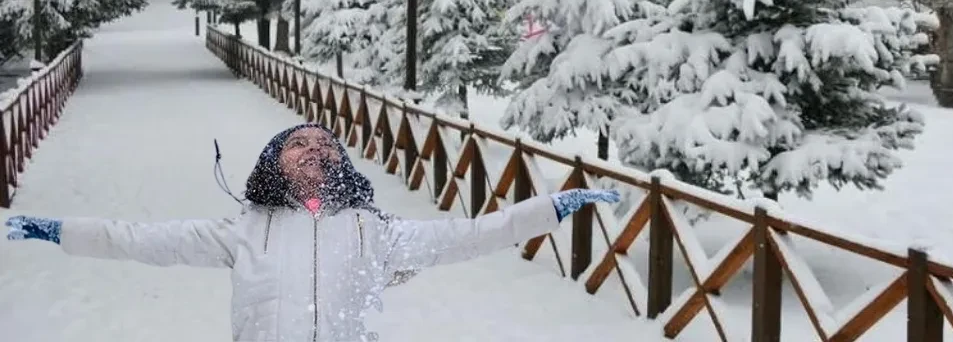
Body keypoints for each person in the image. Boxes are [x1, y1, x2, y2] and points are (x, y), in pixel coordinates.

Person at [5, 123, 620, 341]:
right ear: (274, 162)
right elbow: (134, 238)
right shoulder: (241, 230)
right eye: (296, 143)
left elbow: (473, 234)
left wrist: (557, 207)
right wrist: (54, 229)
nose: (312, 149)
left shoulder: (374, 233)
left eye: (325, 144)